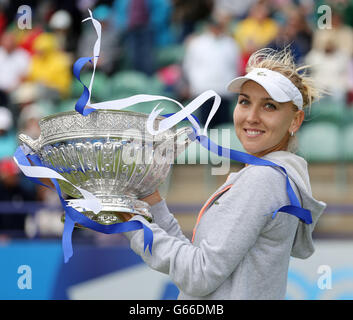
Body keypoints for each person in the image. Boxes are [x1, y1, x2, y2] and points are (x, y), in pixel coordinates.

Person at [120, 47, 327, 299]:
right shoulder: (270, 175)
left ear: (295, 121)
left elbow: (199, 275)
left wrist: (129, 220)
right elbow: (197, 260)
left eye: (269, 106)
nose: (251, 117)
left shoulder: (263, 179)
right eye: (244, 101)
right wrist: (149, 199)